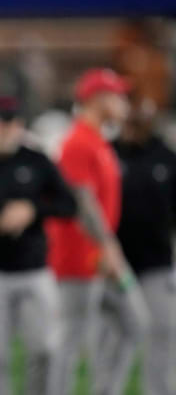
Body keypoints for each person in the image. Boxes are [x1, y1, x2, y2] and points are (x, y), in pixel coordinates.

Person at [47, 68, 147, 395]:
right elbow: (82, 203)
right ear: (97, 99)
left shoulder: (96, 141)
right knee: (73, 339)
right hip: (81, 259)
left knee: (134, 321)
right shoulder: (78, 142)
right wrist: (107, 248)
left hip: (100, 256)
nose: (123, 102)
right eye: (117, 95)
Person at [0, 94, 76, 395]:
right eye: (1, 121)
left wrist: (33, 210)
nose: (7, 128)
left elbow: (68, 204)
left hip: (33, 268)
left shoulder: (36, 159)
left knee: (43, 350)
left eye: (13, 122)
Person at [113, 96, 175, 395]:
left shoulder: (166, 156)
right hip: (113, 265)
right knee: (113, 338)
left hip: (156, 262)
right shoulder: (108, 153)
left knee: (162, 333)